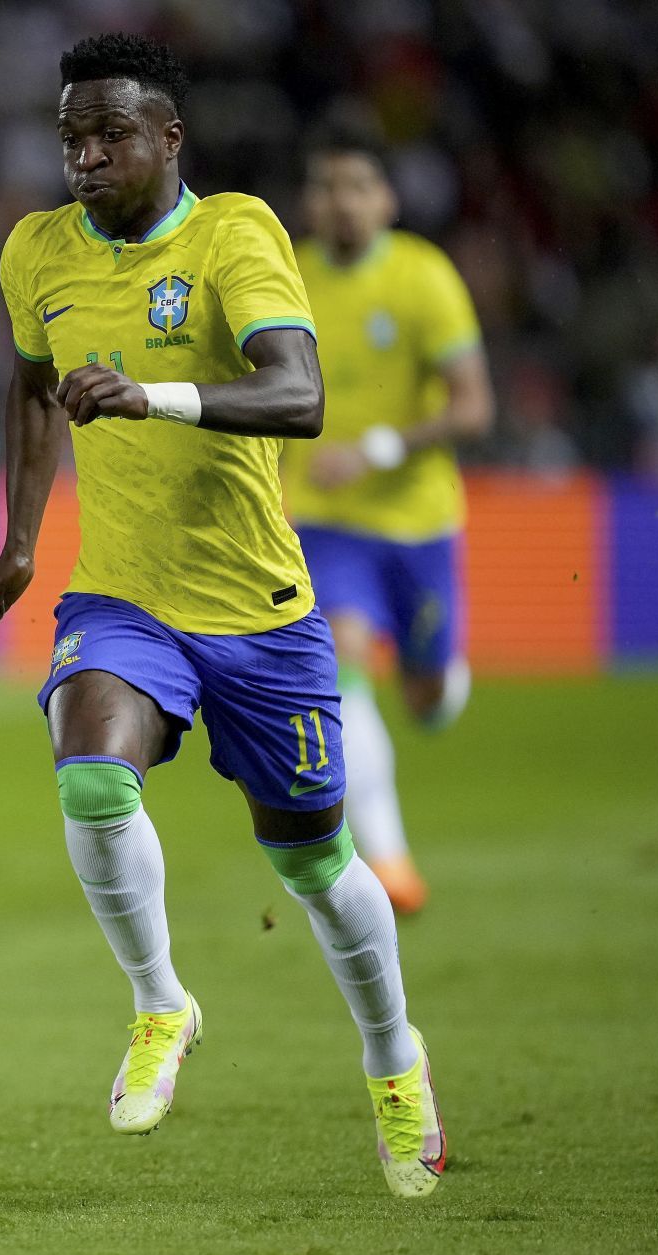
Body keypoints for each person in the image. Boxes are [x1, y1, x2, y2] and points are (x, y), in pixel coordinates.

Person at [0, 34, 445, 1198]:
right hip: (124, 598)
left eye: (108, 135)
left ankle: (393, 1059)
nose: (83, 156)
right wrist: (23, 545)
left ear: (169, 138)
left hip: (261, 612)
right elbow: (31, 388)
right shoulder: (37, 251)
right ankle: (160, 1000)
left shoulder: (236, 232)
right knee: (87, 771)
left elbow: (301, 394)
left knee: (317, 862)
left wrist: (154, 395)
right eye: (70, 135)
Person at [284, 120, 494, 915]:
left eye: (357, 187)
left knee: (430, 699)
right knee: (342, 666)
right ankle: (392, 861)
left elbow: (475, 408)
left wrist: (374, 449)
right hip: (325, 520)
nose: (340, 203)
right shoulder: (287, 276)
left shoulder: (422, 276)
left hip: (417, 521)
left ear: (388, 200)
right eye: (326, 187)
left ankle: (436, 677)